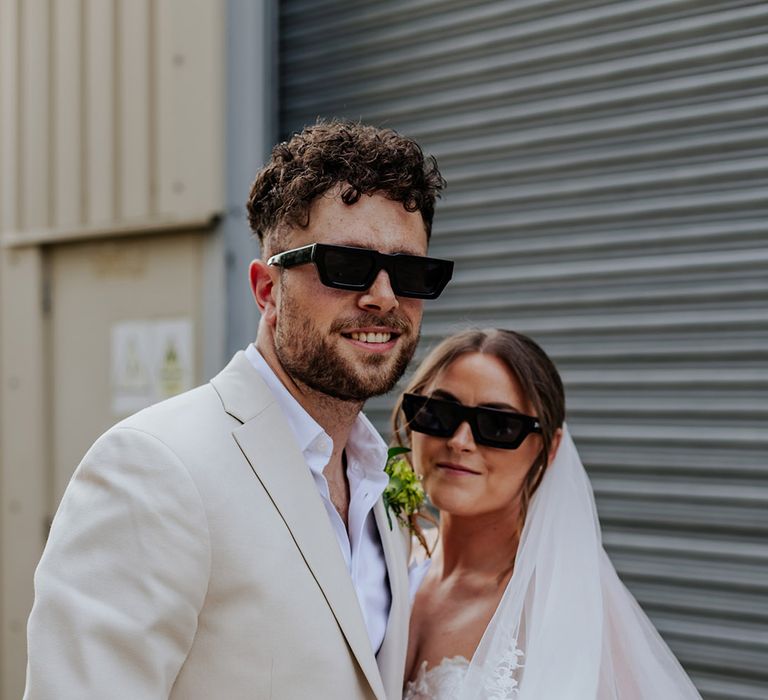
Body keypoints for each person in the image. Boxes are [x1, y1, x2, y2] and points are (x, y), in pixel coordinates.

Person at [24, 120, 452, 700]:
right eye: (345, 265)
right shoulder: (153, 468)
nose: (382, 296)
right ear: (266, 290)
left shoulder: (380, 491)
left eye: (410, 273)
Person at [392, 328, 702, 699]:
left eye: (498, 426)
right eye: (439, 412)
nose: (459, 441)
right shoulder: (388, 558)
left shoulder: (564, 603)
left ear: (550, 448)